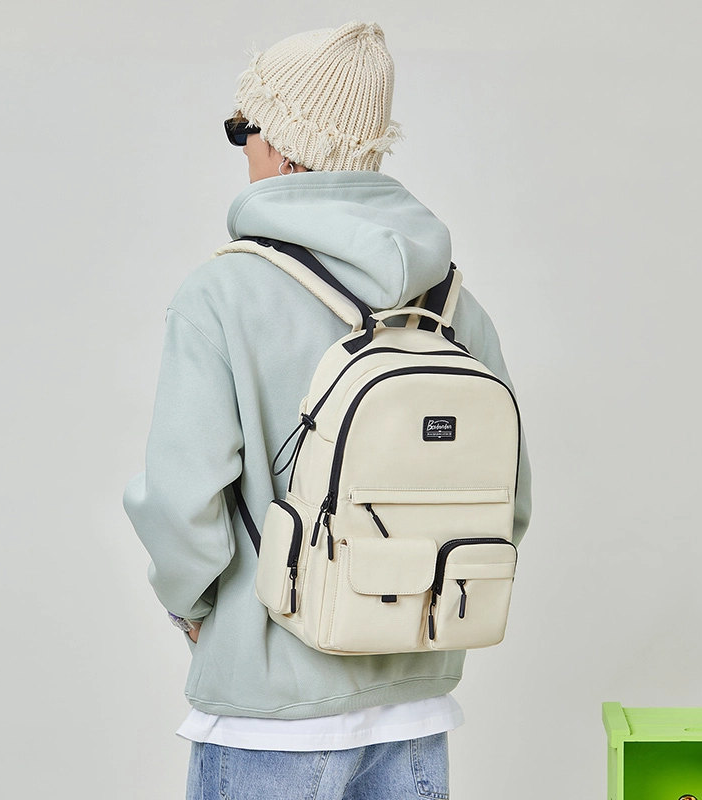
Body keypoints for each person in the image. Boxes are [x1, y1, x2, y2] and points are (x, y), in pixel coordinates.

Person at [123, 20, 531, 800]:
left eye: (242, 130)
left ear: (281, 145)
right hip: (415, 713)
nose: (243, 151)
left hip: (268, 716)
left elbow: (183, 502)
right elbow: (508, 502)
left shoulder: (223, 294)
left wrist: (194, 613)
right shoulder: (454, 304)